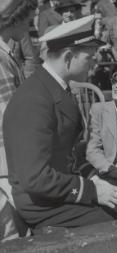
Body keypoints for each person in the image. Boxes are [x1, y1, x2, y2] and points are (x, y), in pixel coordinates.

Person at [3, 16, 117, 229]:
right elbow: (35, 178)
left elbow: (68, 153)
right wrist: (90, 190)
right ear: (68, 57)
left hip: (59, 189)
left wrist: (94, 178)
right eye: (89, 57)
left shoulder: (53, 87)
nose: (94, 62)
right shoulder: (34, 100)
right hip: (41, 203)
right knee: (111, 224)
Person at [0, 0, 37, 201]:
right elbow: (10, 117)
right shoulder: (1, 59)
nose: (29, 27)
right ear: (15, 20)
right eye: (28, 21)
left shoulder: (6, 54)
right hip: (6, 163)